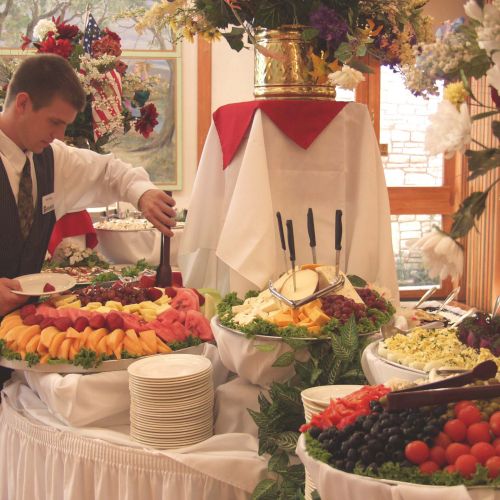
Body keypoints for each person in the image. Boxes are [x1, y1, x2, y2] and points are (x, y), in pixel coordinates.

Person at [0, 53, 177, 317]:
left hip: (23, 333)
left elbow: (108, 171)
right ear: (23, 103)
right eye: (55, 122)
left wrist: (143, 194)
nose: (60, 136)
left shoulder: (52, 158)